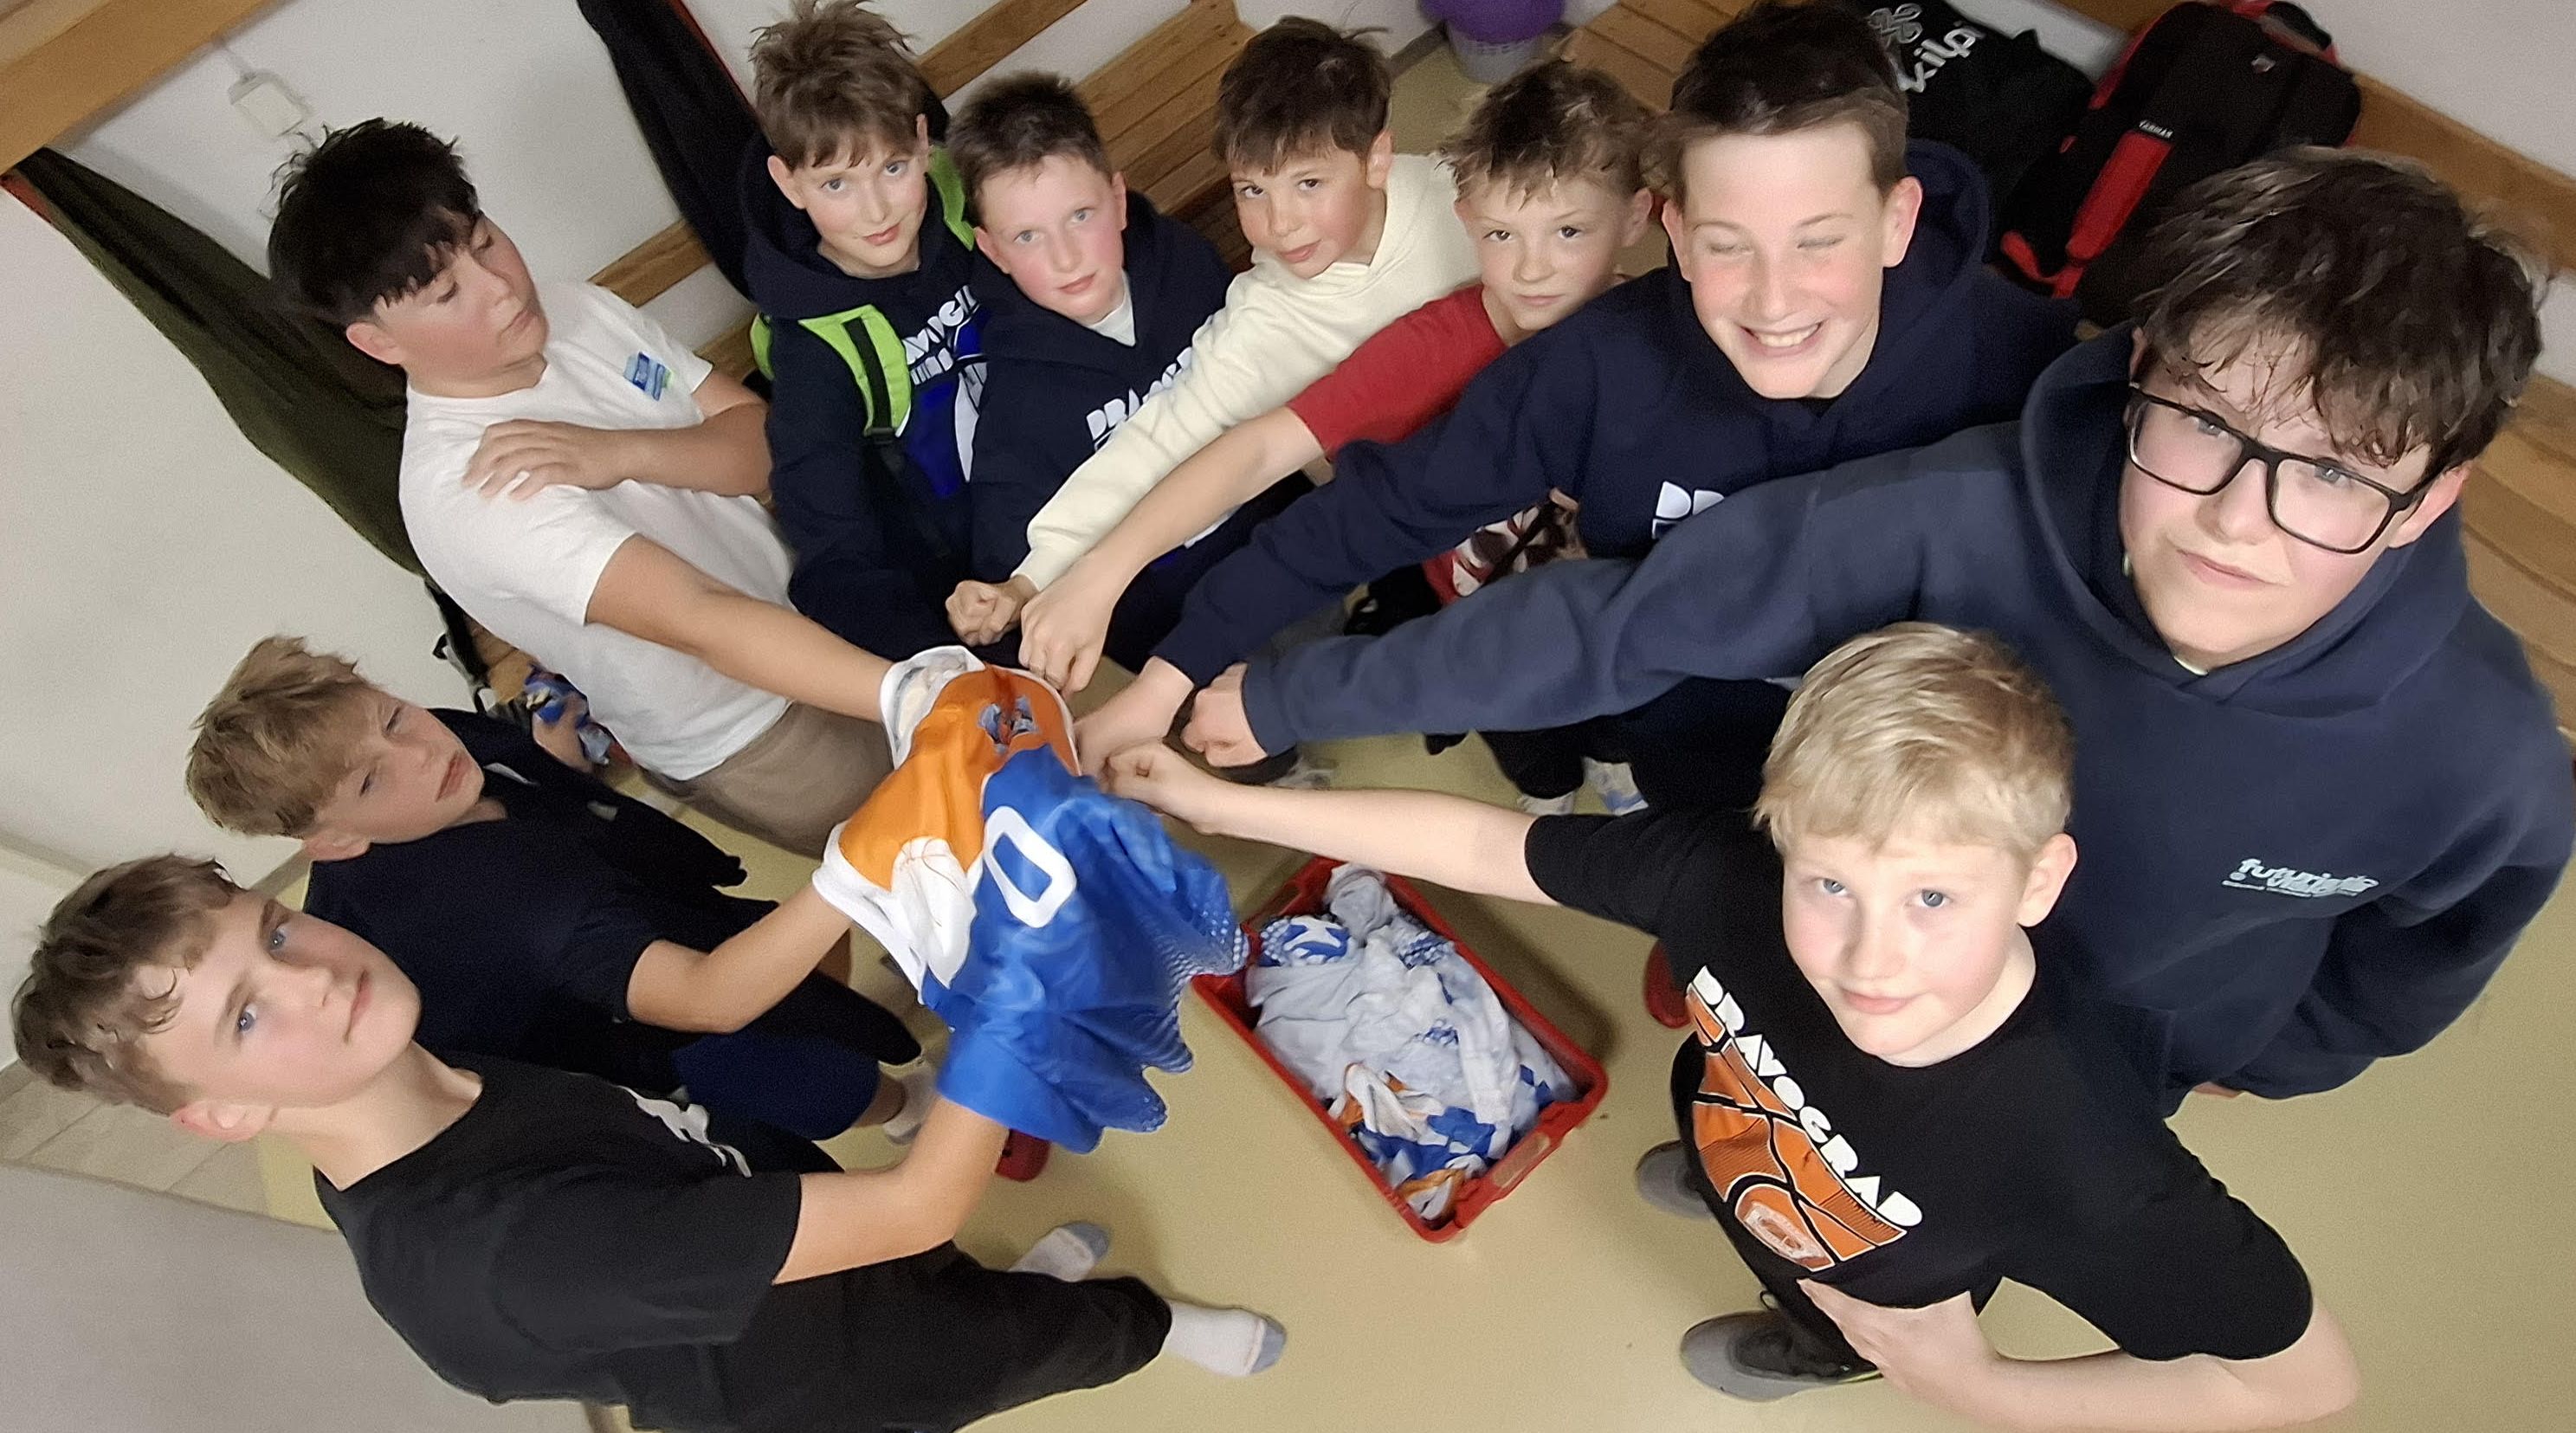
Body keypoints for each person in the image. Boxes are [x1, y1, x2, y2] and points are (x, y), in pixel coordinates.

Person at [1192, 148, 2571, 1103]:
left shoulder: (2480, 751)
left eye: (2329, 473)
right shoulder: (1954, 514)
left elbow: (2422, 953)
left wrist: (2242, 1054)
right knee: (1754, 1129)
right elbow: (1619, 617)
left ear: (2427, 492)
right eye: (2202, 425)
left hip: (2085, 1077)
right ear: (2142, 370)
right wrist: (1283, 695)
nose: (2233, 520)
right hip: (1818, 969)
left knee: (1920, 1250)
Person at [1105, 623, 2357, 1425]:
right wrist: (1232, 806)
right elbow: (1489, 845)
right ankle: (1720, 1178)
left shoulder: (2074, 1153)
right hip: (1749, 1128)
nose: (1869, 958)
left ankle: (1816, 1347)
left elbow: (2300, 1380)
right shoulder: (1724, 873)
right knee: (1730, 1156)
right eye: (1830, 884)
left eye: (1931, 897)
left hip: (1867, 1272)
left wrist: (1976, 1382)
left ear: (2035, 881)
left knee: (1836, 1308)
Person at [1152, 0, 2077, 822]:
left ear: (1896, 220)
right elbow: (1383, 508)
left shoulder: (2022, 367)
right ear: (1673, 230)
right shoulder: (1593, 366)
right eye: (1727, 245)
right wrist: (1175, 666)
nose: (1772, 300)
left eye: (1816, 242)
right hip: (1698, 774)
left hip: (1932, 802)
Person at [10, 856, 1288, 1433]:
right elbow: (911, 1204)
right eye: (245, 1015)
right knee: (1018, 1342)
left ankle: (1020, 1290)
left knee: (939, 1275)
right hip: (816, 1369)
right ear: (220, 1115)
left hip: (756, 1227)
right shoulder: (509, 1259)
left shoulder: (407, 1067)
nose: (312, 976)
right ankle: (1141, 1325)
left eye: (275, 933)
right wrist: (1017, 991)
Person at [1030, 60, 1657, 818]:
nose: (1531, 268)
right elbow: (1259, 452)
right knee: (1528, 737)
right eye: (1501, 233)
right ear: (1467, 221)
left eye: (1568, 231)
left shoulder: (1666, 347)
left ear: (1636, 218)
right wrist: (1102, 583)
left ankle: (1613, 760)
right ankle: (1550, 788)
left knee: (1623, 716)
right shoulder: (1429, 347)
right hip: (1478, 627)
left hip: (1626, 627)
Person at [268, 119, 894, 858]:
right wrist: (916, 690)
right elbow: (702, 618)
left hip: (821, 604)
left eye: (484, 242)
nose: (501, 288)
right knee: (950, 870)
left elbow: (763, 446)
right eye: (447, 293)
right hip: (751, 728)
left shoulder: (574, 310)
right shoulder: (468, 486)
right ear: (378, 342)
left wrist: (621, 452)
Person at [184, 636, 923, 1146]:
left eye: (395, 716)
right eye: (373, 781)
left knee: (802, 966)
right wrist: (854, 865)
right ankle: (907, 1106)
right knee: (825, 1082)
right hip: (642, 1034)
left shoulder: (436, 758)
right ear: (335, 841)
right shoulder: (503, 911)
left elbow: (473, 759)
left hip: (642, 914)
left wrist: (552, 765)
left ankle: (839, 1024)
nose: (420, 754)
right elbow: (708, 998)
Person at [944, 15, 1481, 647]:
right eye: (1252, 190)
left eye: (1308, 183)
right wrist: (1032, 578)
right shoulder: (1263, 320)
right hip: (1430, 528)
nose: (1280, 224)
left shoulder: (1466, 197)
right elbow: (1159, 438)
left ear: (1376, 159)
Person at [947, 72, 1301, 674]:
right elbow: (1016, 566)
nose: (1065, 258)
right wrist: (997, 600)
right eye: (1027, 236)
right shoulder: (1018, 404)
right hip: (1192, 629)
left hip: (1292, 536)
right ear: (993, 250)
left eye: (1080, 216)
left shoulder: (1183, 261)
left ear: (1117, 199)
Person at [741, 0, 991, 659]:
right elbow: (835, 553)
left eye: (892, 168)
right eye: (836, 184)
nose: (876, 211)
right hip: (971, 593)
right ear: (789, 184)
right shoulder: (813, 350)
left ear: (923, 141)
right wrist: (939, 664)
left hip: (1082, 496)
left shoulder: (972, 204)